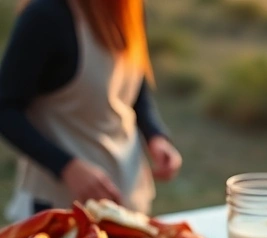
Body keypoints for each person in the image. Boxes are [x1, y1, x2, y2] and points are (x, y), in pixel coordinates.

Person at [0, 0, 181, 218]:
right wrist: (67, 167)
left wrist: (155, 135)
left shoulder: (128, 9)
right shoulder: (46, 16)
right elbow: (5, 109)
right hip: (59, 207)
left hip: (128, 197)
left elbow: (132, 86)